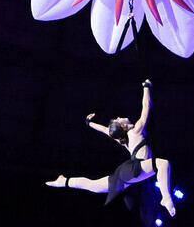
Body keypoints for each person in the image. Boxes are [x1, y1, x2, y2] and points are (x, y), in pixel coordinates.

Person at [46, 79, 176, 217]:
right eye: (118, 119)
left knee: (94, 186)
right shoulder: (136, 130)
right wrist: (146, 86)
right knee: (163, 164)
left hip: (128, 172)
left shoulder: (123, 139)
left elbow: (104, 130)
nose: (119, 117)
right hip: (133, 168)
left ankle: (64, 181)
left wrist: (89, 123)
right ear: (123, 126)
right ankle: (166, 198)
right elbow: (146, 106)